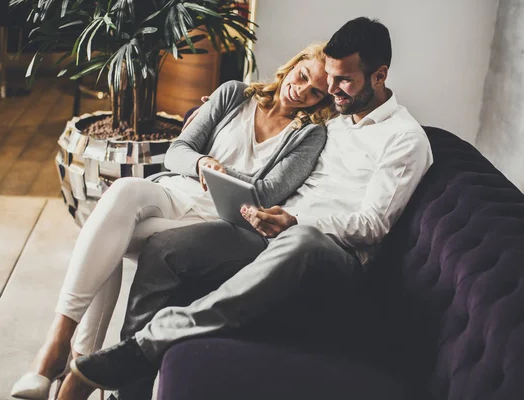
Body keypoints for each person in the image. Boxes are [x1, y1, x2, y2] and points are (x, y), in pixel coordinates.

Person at [66, 16, 435, 400]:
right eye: (330, 78)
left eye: (346, 81)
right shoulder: (334, 119)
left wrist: (296, 220)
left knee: (304, 239)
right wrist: (213, 117)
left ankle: (141, 348)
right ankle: (131, 392)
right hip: (274, 232)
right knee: (164, 250)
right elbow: (277, 140)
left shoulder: (404, 140)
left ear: (380, 75)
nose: (333, 90)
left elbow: (372, 225)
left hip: (333, 255)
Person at [11, 43, 335, 400]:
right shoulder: (234, 94)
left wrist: (219, 169)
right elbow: (179, 150)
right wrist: (198, 164)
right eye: (302, 76)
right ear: (292, 65)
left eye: (316, 91)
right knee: (122, 193)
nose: (302, 90)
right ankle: (59, 347)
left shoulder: (309, 134)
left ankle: (73, 362)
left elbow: (269, 191)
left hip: (217, 220)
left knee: (106, 234)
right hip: (175, 193)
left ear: (323, 99)